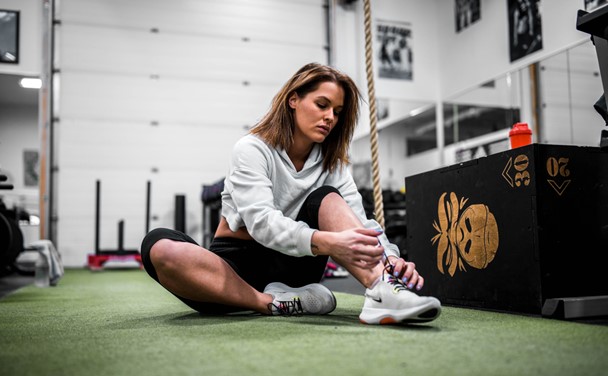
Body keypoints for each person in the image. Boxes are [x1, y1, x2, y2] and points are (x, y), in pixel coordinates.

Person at [140, 63, 441, 324]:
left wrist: (390, 259)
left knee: (326, 196)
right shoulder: (252, 149)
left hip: (295, 267)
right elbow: (261, 222)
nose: (330, 118)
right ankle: (268, 303)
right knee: (159, 246)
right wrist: (327, 241)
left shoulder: (332, 163)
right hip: (233, 273)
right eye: (322, 105)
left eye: (337, 112)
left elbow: (360, 225)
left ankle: (382, 289)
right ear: (293, 100)